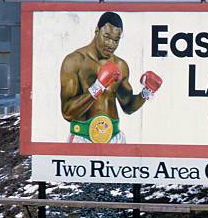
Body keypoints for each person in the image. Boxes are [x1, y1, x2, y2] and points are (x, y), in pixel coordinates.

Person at [60, 11, 162, 143]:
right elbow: (67, 112)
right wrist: (98, 87)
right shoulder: (74, 61)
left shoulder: (120, 65)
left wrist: (147, 91)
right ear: (97, 31)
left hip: (115, 137)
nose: (111, 44)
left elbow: (128, 106)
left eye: (116, 40)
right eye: (106, 37)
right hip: (83, 137)